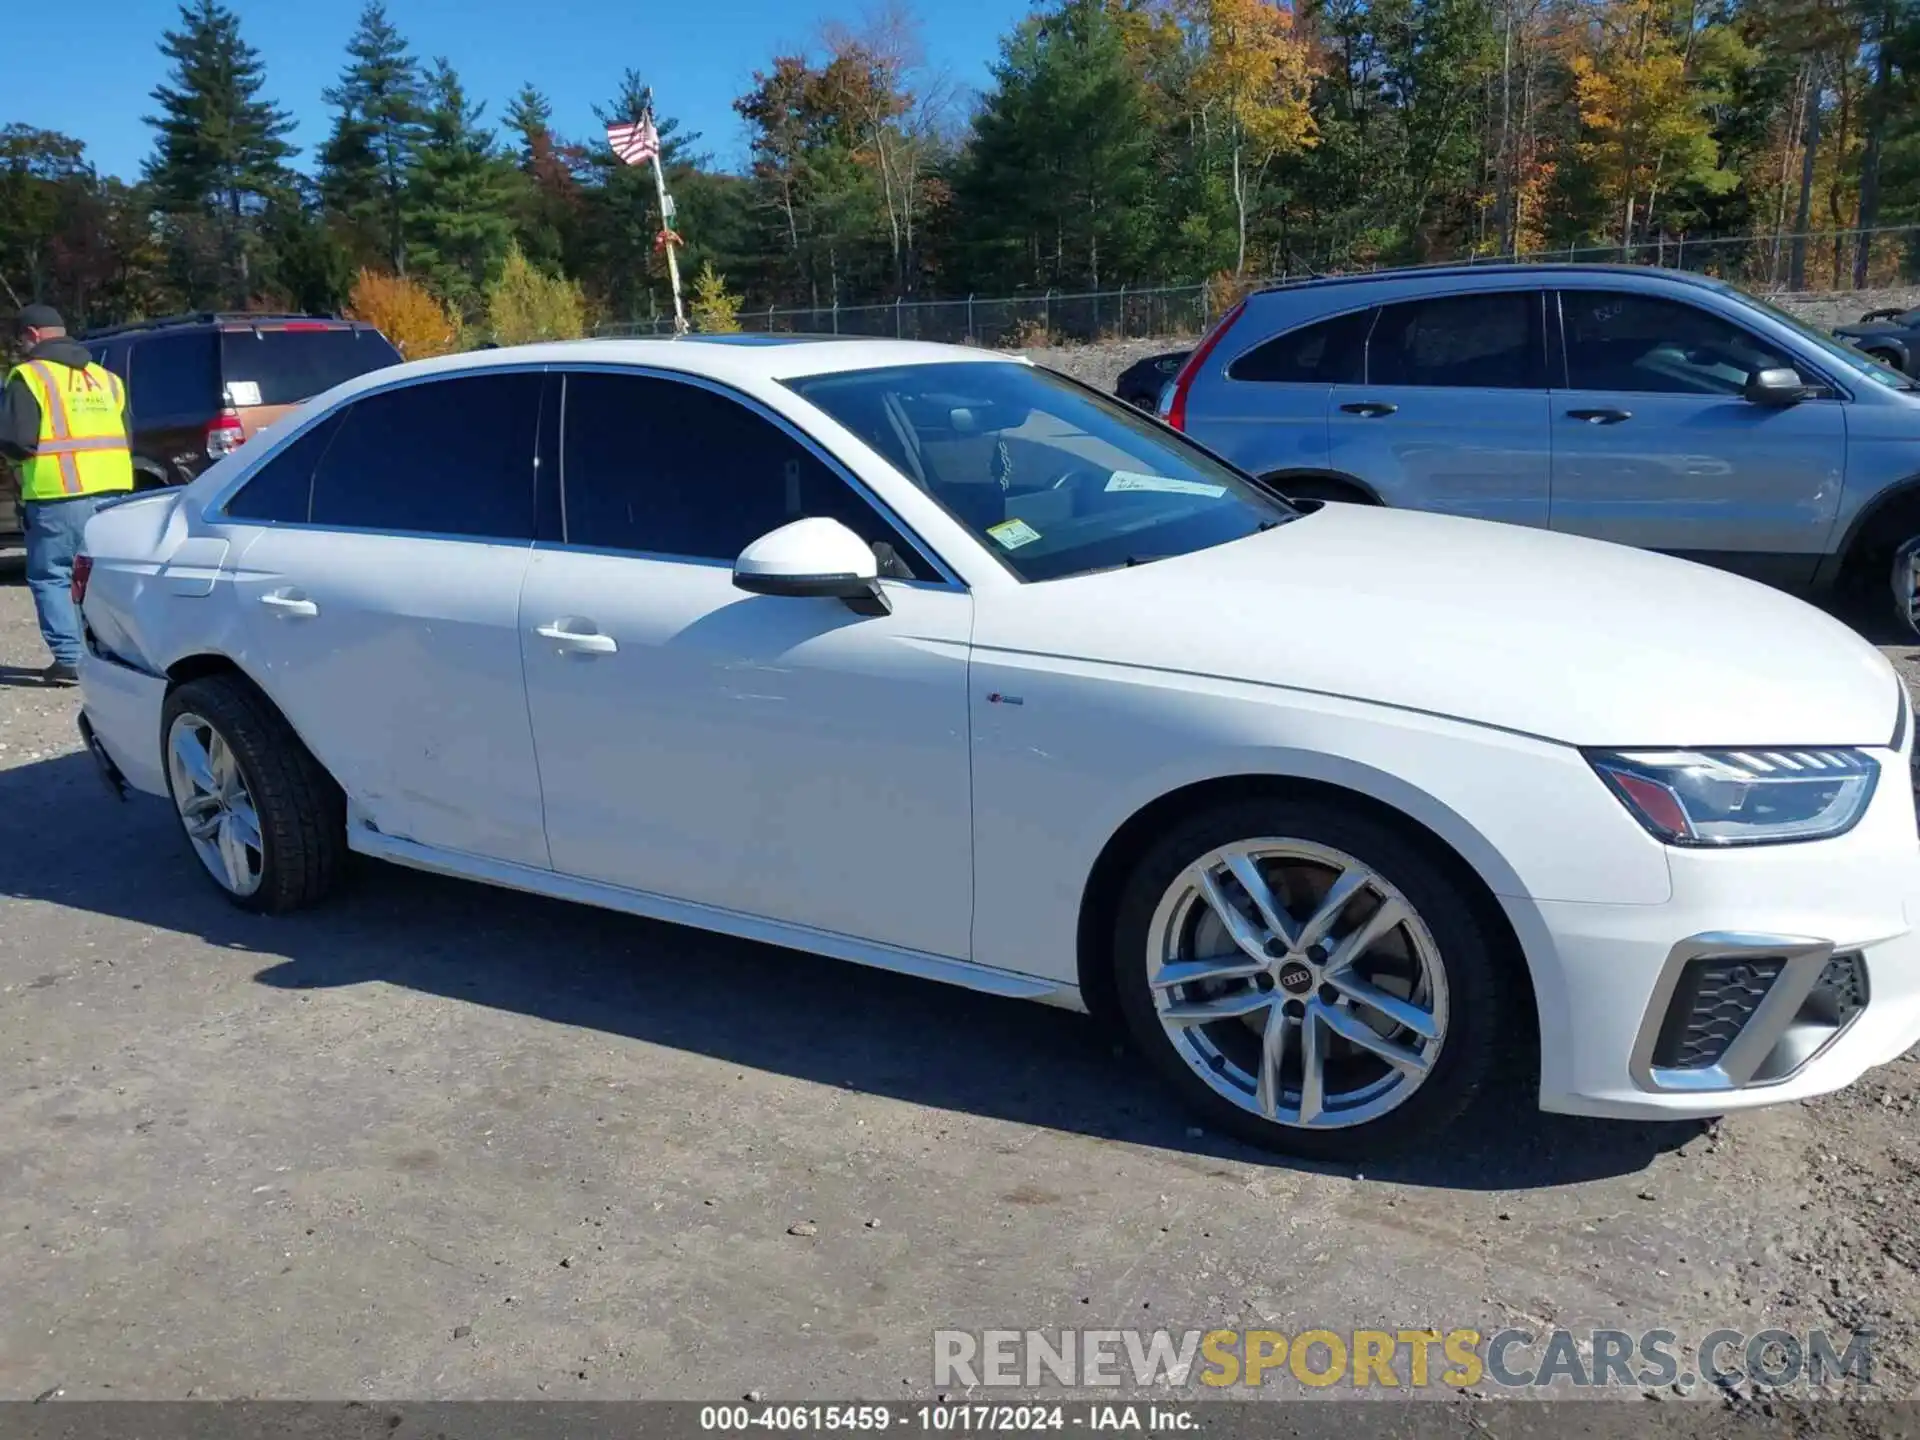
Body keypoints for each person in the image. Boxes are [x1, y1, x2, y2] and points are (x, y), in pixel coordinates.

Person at [1, 304, 133, 684]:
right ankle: (111, 653)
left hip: (59, 492)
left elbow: (17, 440)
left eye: (21, 338)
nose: (20, 346)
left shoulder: (29, 376)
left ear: (33, 335)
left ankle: (71, 658)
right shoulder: (105, 378)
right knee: (99, 577)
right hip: (114, 492)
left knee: (53, 575)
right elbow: (128, 435)